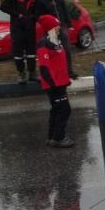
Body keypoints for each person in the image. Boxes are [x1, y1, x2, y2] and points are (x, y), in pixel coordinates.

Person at [36, 15, 74, 148]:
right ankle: (59, 138)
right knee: (64, 110)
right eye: (55, 25)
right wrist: (53, 84)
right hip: (53, 85)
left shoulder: (55, 41)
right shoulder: (44, 43)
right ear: (49, 28)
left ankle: (52, 136)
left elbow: (60, 62)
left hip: (60, 83)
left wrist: (67, 77)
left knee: (56, 110)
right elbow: (44, 67)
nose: (58, 27)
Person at [34, 0, 78, 79]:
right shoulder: (39, 0)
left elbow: (65, 11)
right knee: (53, 50)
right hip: (50, 30)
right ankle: (56, 70)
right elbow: (38, 15)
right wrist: (45, 21)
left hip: (61, 26)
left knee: (66, 49)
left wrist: (69, 24)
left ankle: (69, 71)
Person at [0, 0, 38, 84]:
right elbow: (3, 7)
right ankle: (21, 73)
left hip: (30, 29)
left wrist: (34, 17)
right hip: (17, 29)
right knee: (18, 53)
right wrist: (17, 15)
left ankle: (32, 73)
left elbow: (37, 11)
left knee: (31, 53)